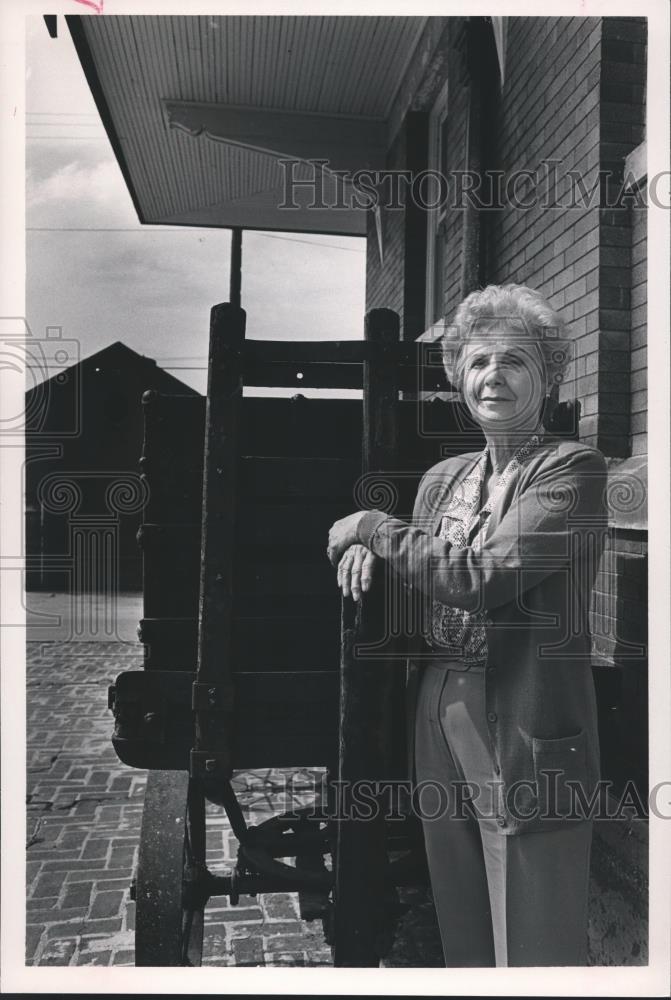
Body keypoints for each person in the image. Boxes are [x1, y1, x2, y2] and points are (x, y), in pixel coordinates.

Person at [327, 283, 608, 967]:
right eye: (478, 362)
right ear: (458, 380)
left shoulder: (570, 470)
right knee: (456, 894)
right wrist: (373, 552)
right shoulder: (442, 478)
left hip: (520, 709)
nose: (492, 377)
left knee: (531, 908)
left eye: (514, 361)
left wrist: (368, 525)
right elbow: (423, 568)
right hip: (437, 698)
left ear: (547, 376)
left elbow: (478, 579)